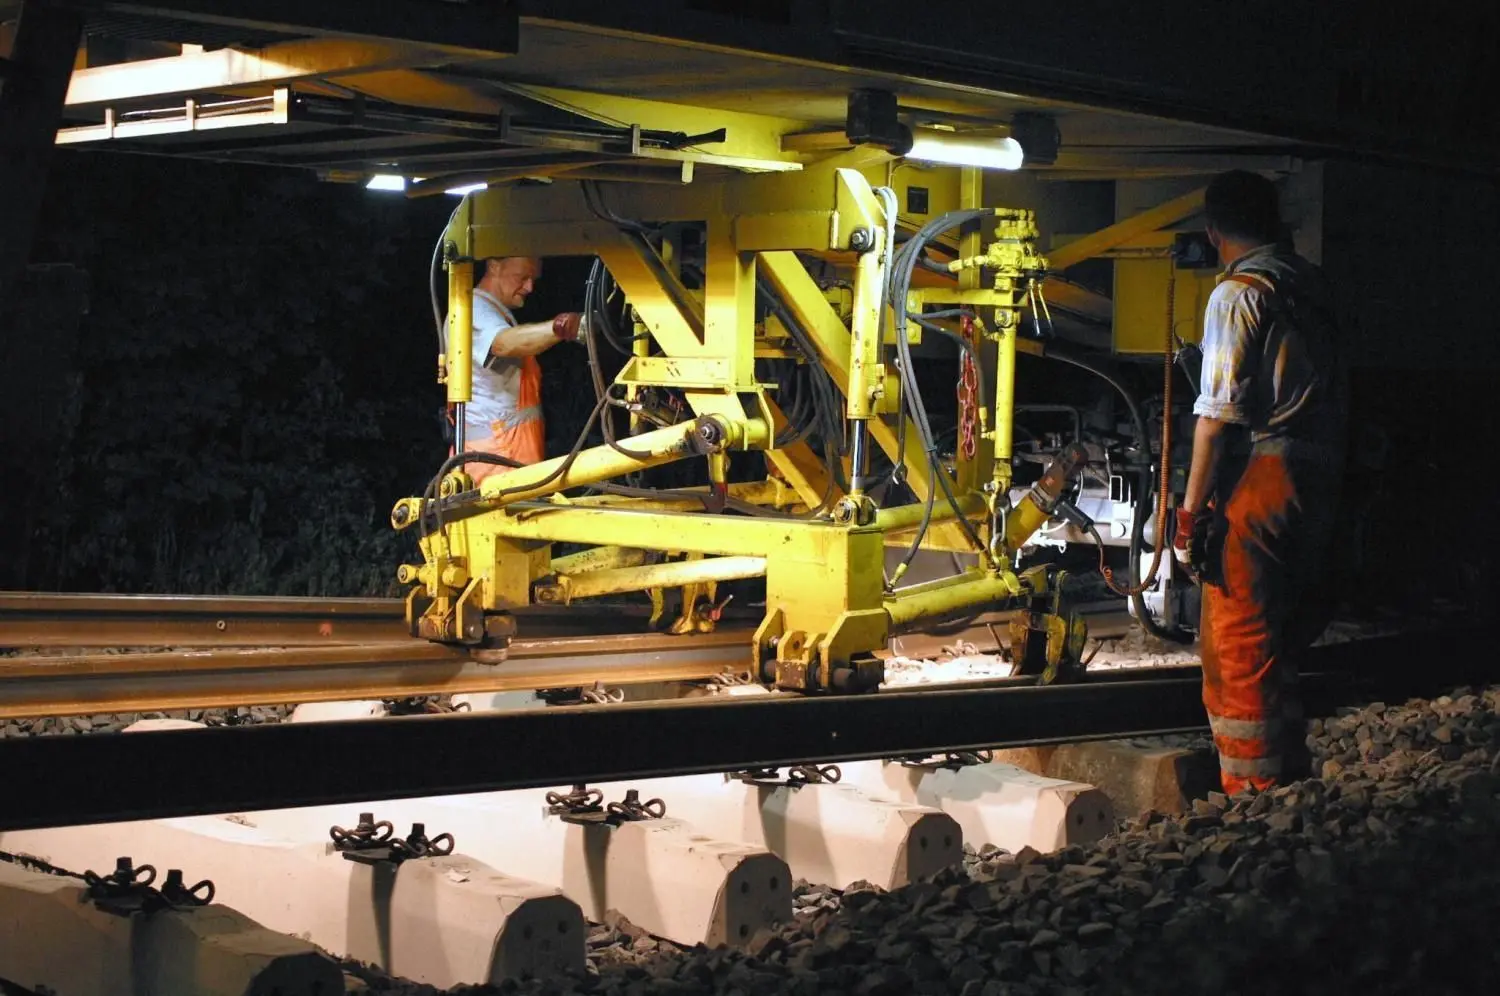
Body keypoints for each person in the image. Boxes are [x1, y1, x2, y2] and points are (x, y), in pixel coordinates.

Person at [1173, 170, 1347, 796]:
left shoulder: (1237, 293)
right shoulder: (1308, 283)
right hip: (1320, 470)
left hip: (1266, 474)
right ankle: (1288, 772)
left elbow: (1217, 419)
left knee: (1238, 638)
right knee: (1279, 631)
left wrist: (1189, 516)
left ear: (1214, 231)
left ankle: (1255, 799)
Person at [453, 256, 582, 479]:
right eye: (522, 277)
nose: (530, 287)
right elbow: (503, 343)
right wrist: (561, 328)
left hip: (509, 454)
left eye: (533, 279)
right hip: (494, 460)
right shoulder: (473, 310)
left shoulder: (494, 313)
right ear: (494, 265)